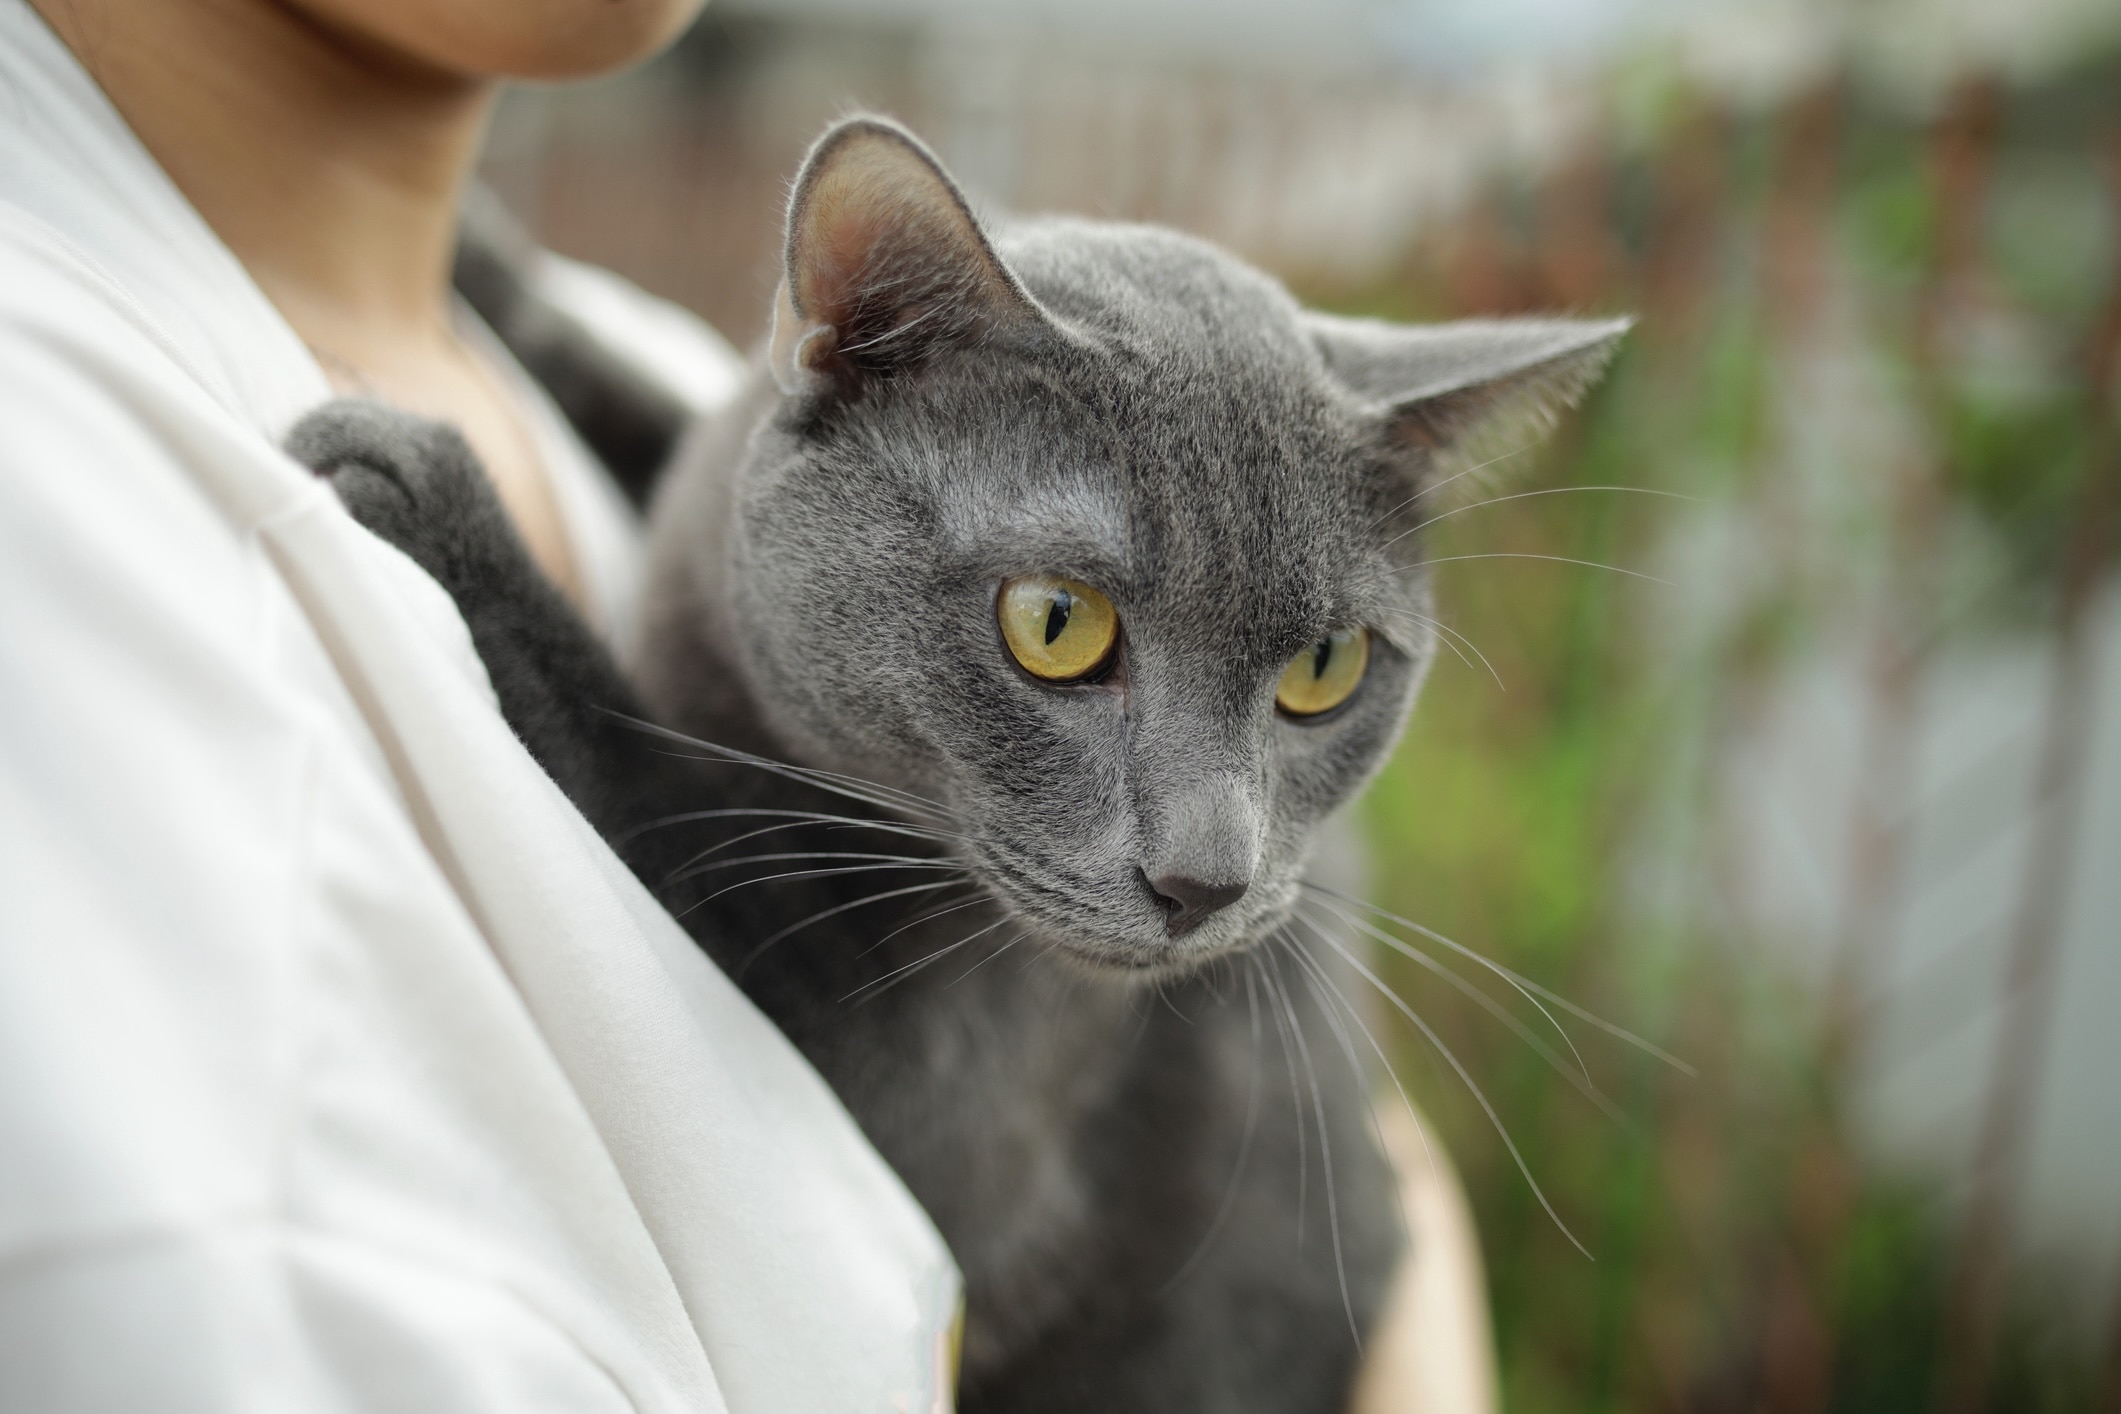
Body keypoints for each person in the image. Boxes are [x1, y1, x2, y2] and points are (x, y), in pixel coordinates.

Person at [0, 0, 1494, 1407]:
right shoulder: (62, 497)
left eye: (1318, 676)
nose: (1208, 859)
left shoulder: (625, 346)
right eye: (1060, 631)